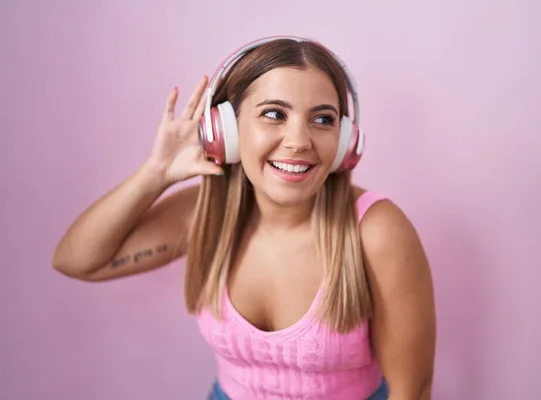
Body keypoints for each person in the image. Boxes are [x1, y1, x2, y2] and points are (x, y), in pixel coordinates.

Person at [52, 36, 437, 400]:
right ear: (228, 132)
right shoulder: (203, 214)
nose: (299, 140)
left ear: (345, 143)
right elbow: (77, 261)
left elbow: (411, 391)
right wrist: (156, 173)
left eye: (323, 120)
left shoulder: (376, 231)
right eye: (274, 114)